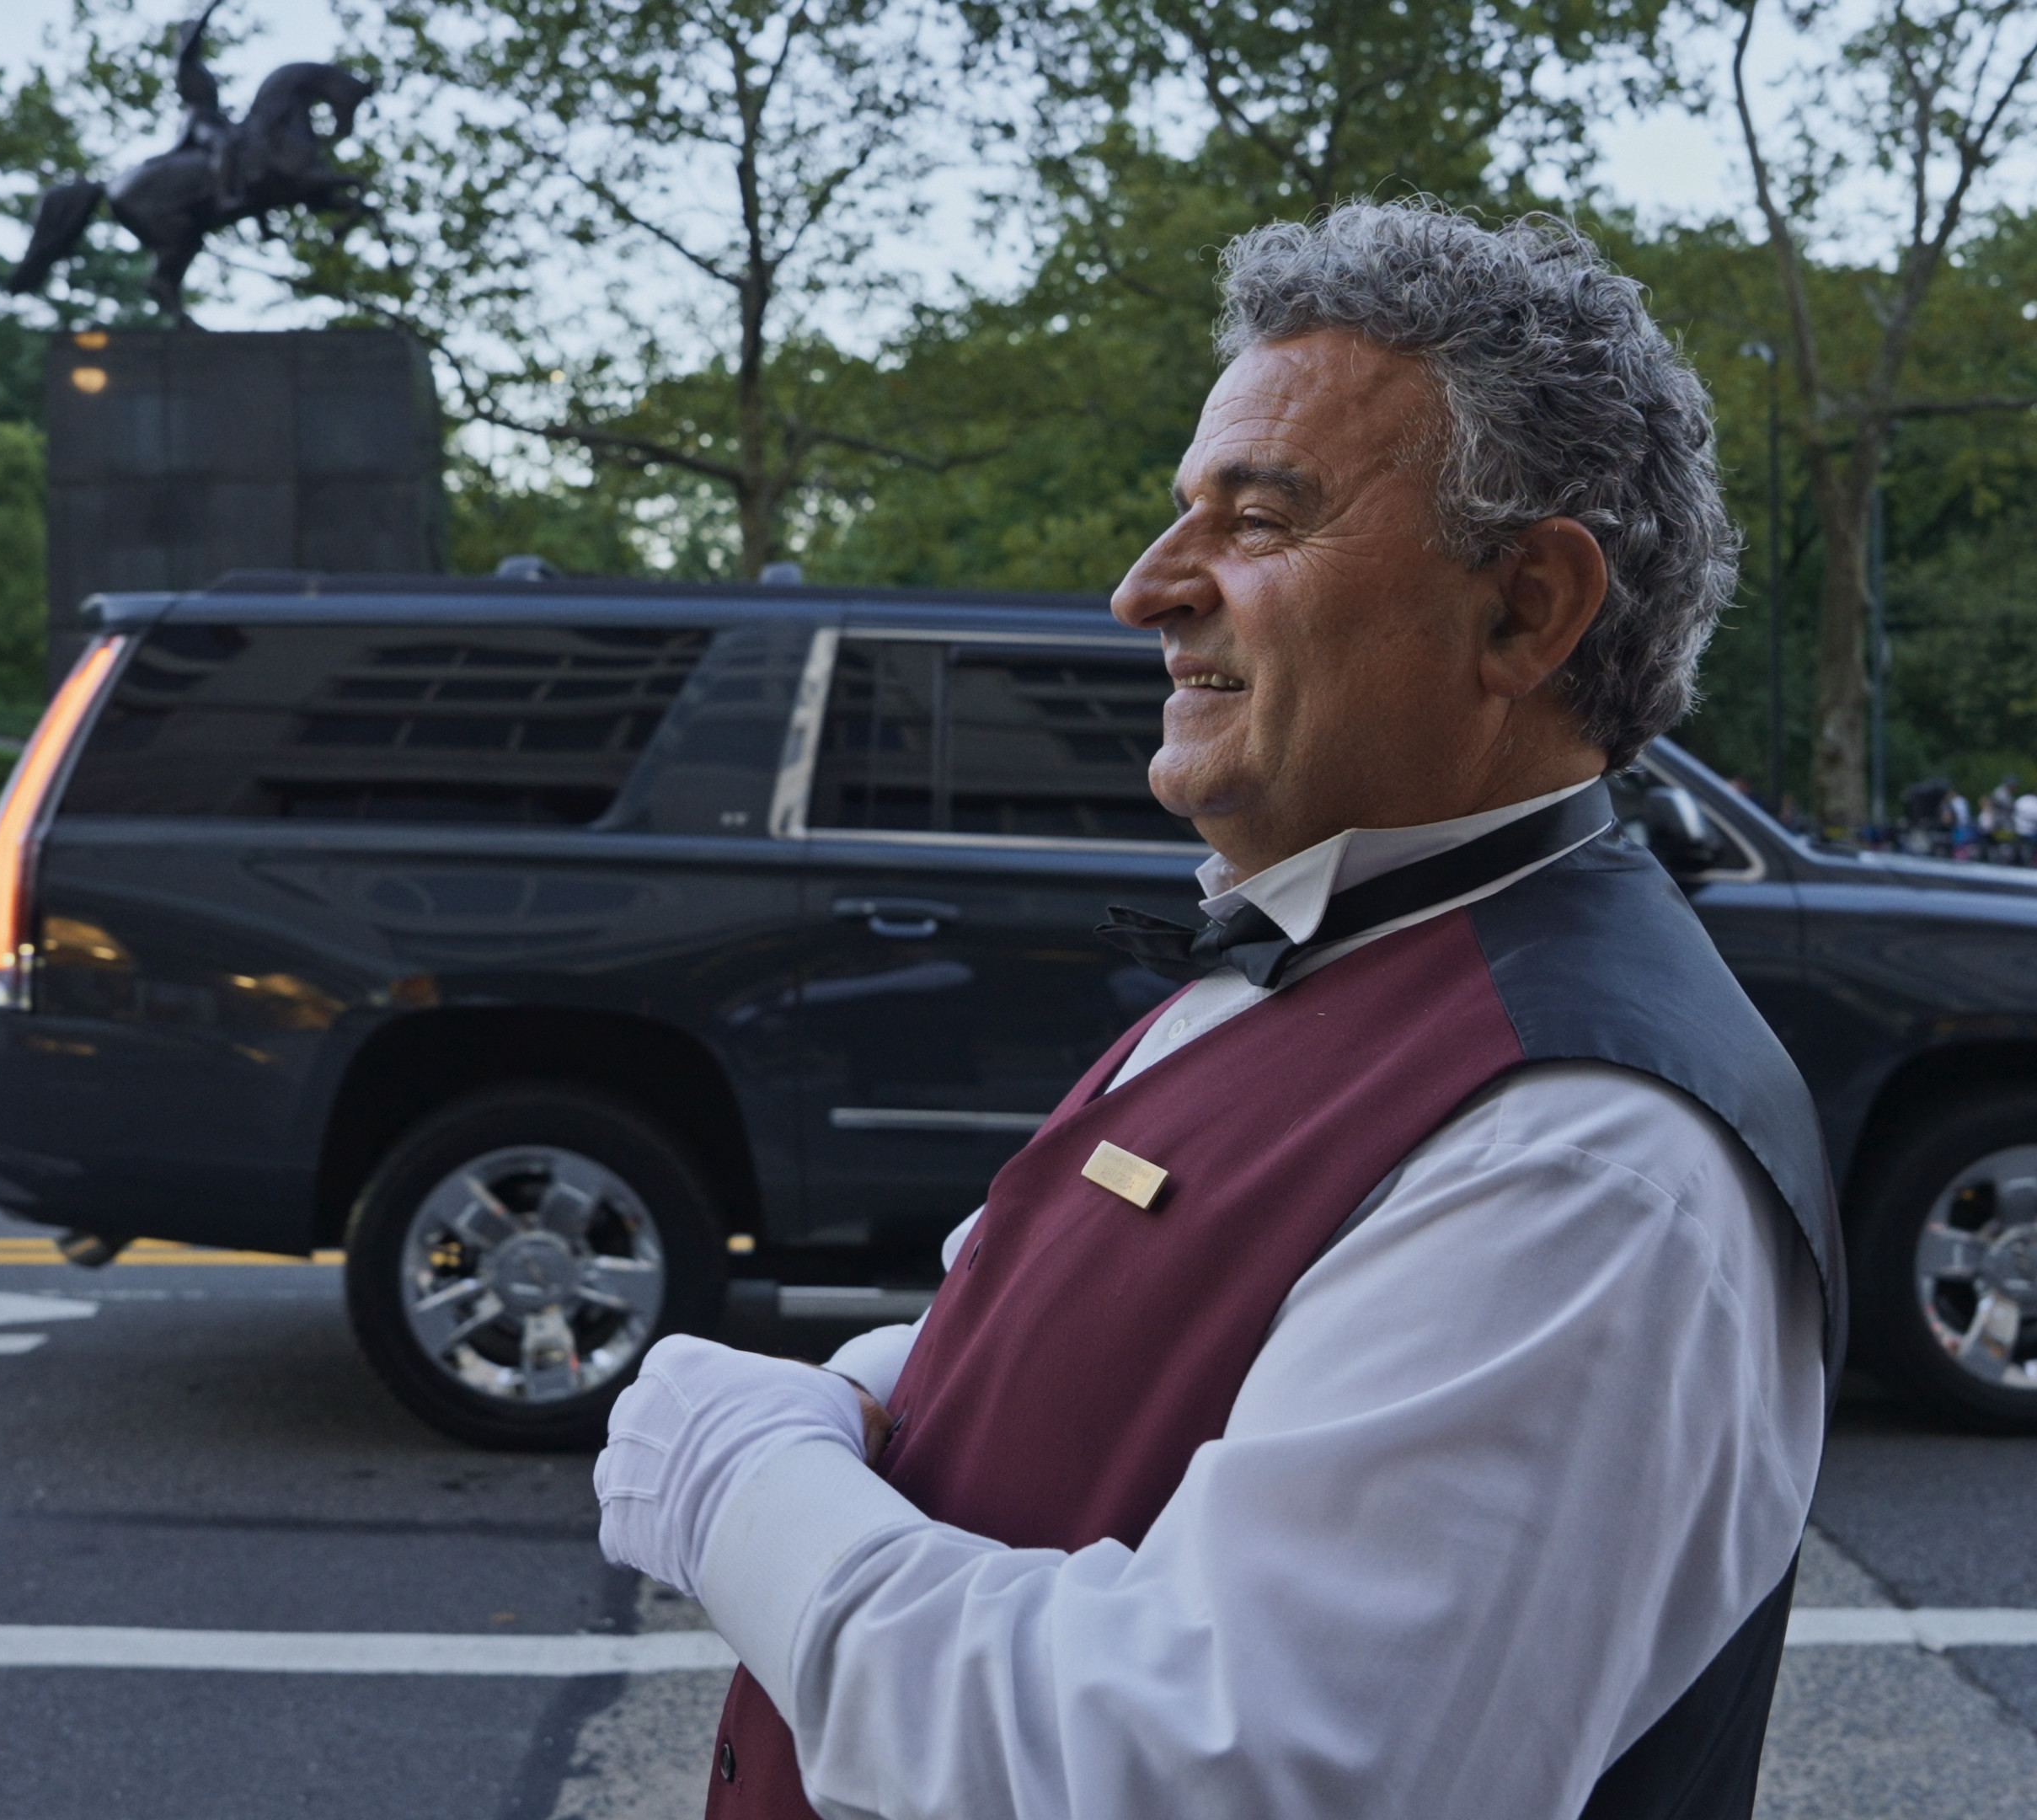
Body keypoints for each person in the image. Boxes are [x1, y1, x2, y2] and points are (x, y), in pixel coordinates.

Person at [591, 204, 1840, 1820]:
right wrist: (856, 1394)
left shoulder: (1586, 1154)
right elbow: (1115, 1336)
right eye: (1182, 514)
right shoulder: (1346, 939)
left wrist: (742, 1489)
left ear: (1527, 608)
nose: (1145, 590)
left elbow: (1220, 1772)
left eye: (1257, 520)